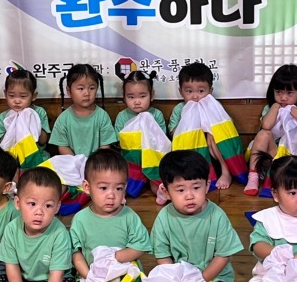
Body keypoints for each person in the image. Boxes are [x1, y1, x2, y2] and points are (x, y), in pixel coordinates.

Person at [146, 150, 244, 282]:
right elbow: (162, 254)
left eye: (196, 187)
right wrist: (175, 280)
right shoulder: (164, 217)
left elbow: (223, 255)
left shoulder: (217, 216)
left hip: (211, 277)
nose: (190, 195)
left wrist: (201, 279)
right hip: (177, 276)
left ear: (207, 185)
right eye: (180, 189)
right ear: (165, 191)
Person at [70, 150, 151, 282]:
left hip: (123, 276)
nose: (111, 195)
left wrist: (116, 258)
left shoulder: (129, 216)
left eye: (119, 188)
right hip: (93, 278)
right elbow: (75, 252)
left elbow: (141, 246)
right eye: (103, 188)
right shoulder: (80, 219)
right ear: (87, 187)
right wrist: (89, 275)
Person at [244, 64, 297, 196]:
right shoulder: (270, 108)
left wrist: (293, 110)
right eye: (278, 92)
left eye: (289, 93)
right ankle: (253, 177)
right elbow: (266, 125)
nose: (283, 97)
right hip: (274, 156)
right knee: (263, 134)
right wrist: (275, 107)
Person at [168, 62, 242, 190]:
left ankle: (226, 172)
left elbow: (227, 129)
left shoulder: (213, 106)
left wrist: (209, 129)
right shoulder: (180, 108)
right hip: (190, 153)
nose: (195, 96)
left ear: (210, 91)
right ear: (181, 91)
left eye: (201, 91)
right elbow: (174, 134)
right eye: (189, 91)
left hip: (214, 155)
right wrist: (190, 123)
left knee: (212, 135)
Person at [114, 70, 169, 203]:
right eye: (131, 97)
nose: (137, 101)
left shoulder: (156, 115)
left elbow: (161, 141)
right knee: (122, 181)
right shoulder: (122, 116)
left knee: (156, 181)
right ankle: (120, 196)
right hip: (131, 160)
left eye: (142, 96)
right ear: (124, 96)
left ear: (152, 95)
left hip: (152, 159)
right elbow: (119, 142)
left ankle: (161, 193)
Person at [49, 64, 116, 156]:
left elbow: (105, 145)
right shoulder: (63, 119)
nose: (87, 93)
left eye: (92, 88)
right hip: (72, 162)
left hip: (97, 161)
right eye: (81, 88)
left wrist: (94, 161)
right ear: (69, 91)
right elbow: (62, 146)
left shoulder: (102, 116)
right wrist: (75, 161)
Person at [0, 69, 51, 166]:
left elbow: (43, 141)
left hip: (38, 157)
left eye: (23, 96)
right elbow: (3, 143)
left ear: (33, 96)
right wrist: (13, 124)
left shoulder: (39, 112)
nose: (17, 101)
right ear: (5, 94)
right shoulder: (4, 116)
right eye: (12, 96)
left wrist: (33, 122)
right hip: (13, 159)